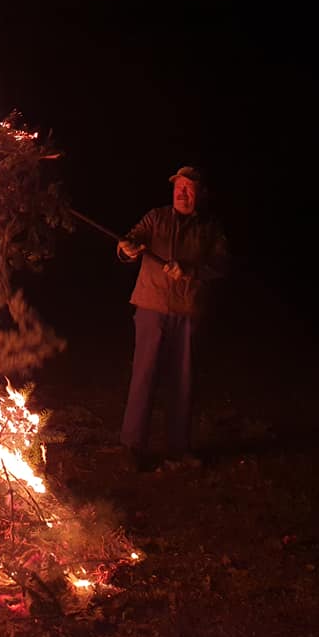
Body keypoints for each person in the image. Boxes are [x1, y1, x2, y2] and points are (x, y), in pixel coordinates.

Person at [115, 166, 228, 470]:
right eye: (178, 186)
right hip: (152, 307)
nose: (182, 193)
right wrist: (127, 249)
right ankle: (132, 447)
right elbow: (132, 239)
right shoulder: (156, 218)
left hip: (188, 310)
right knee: (144, 376)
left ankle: (178, 448)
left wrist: (189, 270)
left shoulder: (210, 228)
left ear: (201, 193)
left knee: (183, 380)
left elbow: (220, 265)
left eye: (189, 188)